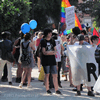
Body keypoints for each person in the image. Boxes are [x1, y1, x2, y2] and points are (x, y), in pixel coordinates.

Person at [41, 28, 62, 94]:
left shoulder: (53, 41)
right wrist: (51, 52)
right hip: (45, 60)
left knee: (55, 74)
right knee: (47, 74)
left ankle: (56, 89)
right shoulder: (43, 41)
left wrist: (50, 52)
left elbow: (55, 51)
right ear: (47, 34)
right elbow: (44, 52)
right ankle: (47, 89)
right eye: (49, 33)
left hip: (53, 60)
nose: (51, 34)